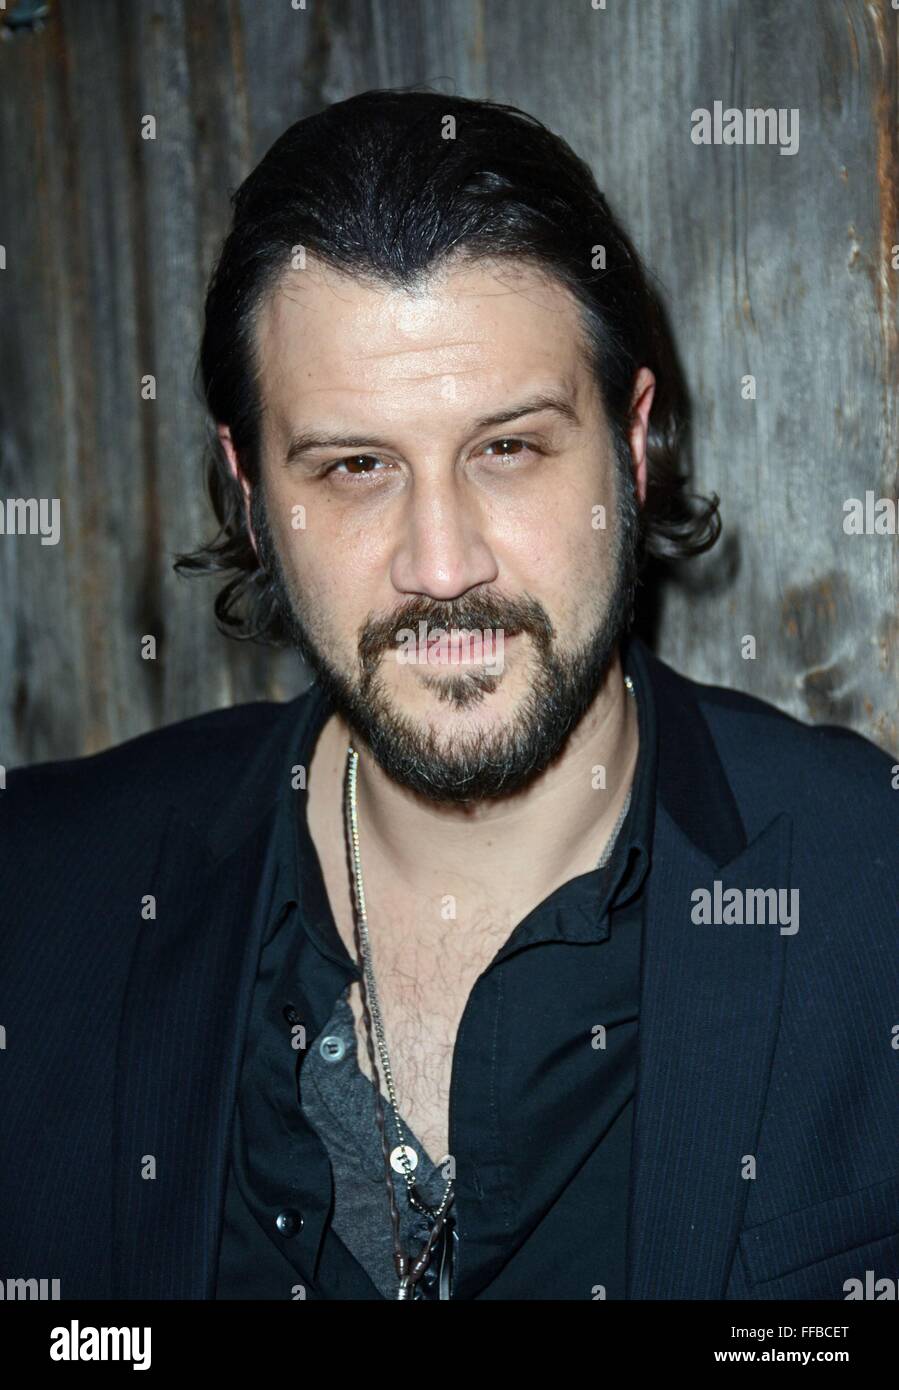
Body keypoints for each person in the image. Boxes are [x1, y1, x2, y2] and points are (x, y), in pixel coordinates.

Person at [2, 89, 896, 1302]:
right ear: (252, 495)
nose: (440, 564)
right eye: (355, 467)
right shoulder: (41, 896)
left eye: (509, 449)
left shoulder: (869, 891)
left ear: (630, 446)